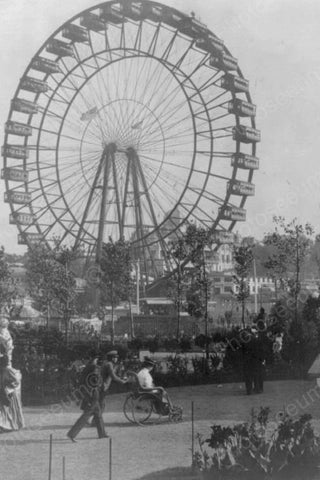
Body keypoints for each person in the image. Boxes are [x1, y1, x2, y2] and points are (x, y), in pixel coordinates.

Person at [67, 350, 107, 442]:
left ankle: (102, 433)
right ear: (96, 359)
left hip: (87, 393)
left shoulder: (87, 367)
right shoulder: (94, 367)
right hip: (92, 394)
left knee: (98, 414)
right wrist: (101, 384)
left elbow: (82, 381)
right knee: (86, 415)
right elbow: (96, 381)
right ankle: (72, 434)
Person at [90, 350, 127, 426]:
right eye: (115, 357)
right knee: (101, 405)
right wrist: (122, 381)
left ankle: (94, 421)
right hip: (102, 386)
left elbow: (111, 376)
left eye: (116, 357)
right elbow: (113, 376)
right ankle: (94, 421)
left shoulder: (107, 363)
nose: (116, 359)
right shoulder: (109, 364)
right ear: (112, 358)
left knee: (100, 404)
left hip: (101, 386)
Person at [0, 353, 24, 432]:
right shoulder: (3, 370)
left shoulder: (8, 369)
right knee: (5, 409)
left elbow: (16, 380)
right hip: (5, 391)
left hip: (11, 392)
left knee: (10, 410)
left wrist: (9, 387)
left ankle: (12, 425)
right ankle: (5, 426)